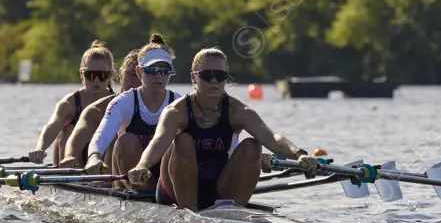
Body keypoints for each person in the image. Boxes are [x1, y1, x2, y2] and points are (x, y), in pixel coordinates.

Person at [126, 47, 315, 210]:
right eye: (207, 76)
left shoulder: (239, 111)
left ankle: (235, 212)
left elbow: (272, 137)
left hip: (218, 187)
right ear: (194, 78)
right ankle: (189, 211)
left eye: (220, 76)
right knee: (183, 140)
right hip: (174, 191)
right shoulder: (177, 111)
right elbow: (159, 141)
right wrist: (142, 165)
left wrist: (299, 153)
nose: (214, 81)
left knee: (253, 145)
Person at [84, 34, 182, 189]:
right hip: (129, 175)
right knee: (126, 141)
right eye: (151, 70)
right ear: (139, 72)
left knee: (183, 141)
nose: (158, 76)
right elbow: (102, 133)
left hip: (165, 176)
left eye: (164, 70)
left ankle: (170, 195)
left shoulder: (179, 102)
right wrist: (93, 157)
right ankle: (143, 196)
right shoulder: (124, 102)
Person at [28, 41, 115, 164]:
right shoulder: (70, 103)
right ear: (81, 73)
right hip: (73, 159)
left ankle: (107, 177)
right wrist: (40, 148)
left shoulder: (119, 101)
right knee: (67, 132)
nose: (96, 80)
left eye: (102, 75)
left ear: (110, 74)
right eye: (90, 75)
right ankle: (69, 173)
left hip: (103, 159)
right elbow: (52, 126)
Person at [59, 48, 142, 168]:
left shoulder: (168, 106)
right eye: (133, 74)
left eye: (143, 75)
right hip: (108, 173)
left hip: (146, 174)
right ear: (120, 73)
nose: (138, 81)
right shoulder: (96, 109)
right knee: (120, 138)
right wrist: (69, 156)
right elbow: (77, 136)